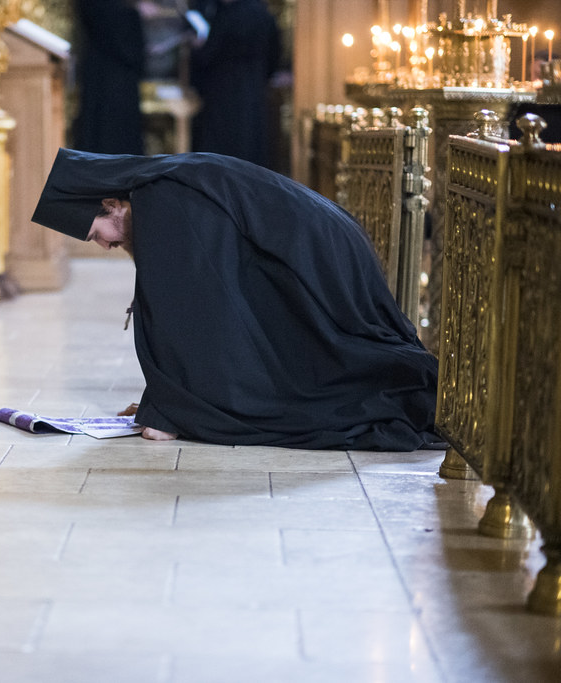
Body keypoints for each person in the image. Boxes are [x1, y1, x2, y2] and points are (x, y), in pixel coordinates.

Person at [31, 148, 440, 450]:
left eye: (97, 234)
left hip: (316, 253)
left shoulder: (161, 201)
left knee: (331, 367)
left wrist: (169, 412)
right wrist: (165, 401)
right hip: (320, 243)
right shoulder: (162, 186)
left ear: (111, 204)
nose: (105, 245)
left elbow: (192, 312)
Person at [188, 0, 284, 167]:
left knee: (222, 152)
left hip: (222, 93)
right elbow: (274, 55)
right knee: (252, 148)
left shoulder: (226, 14)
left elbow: (208, 55)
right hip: (254, 92)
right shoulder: (263, 14)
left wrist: (197, 48)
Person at [72, 1, 160, 155]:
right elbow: (107, 18)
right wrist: (135, 12)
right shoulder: (115, 11)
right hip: (109, 72)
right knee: (109, 135)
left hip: (113, 69)